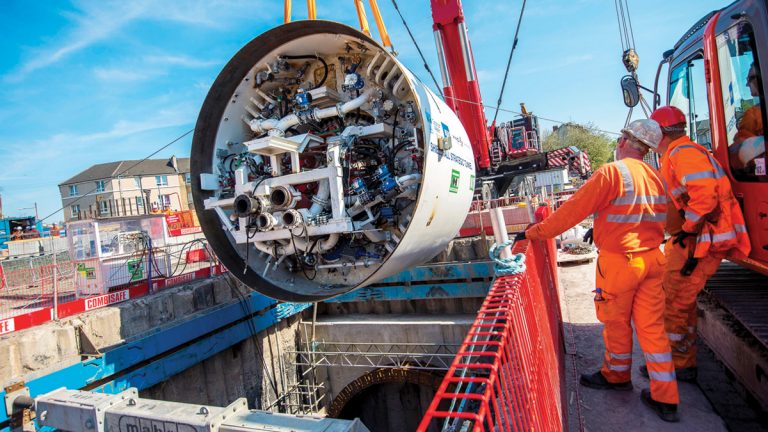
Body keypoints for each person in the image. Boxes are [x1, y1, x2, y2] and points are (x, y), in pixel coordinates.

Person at [516, 119, 680, 422]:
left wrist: (533, 233)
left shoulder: (612, 172)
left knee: (616, 322)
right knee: (653, 329)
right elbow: (650, 217)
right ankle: (666, 399)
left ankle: (617, 375)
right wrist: (603, 229)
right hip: (653, 260)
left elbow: (570, 213)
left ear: (624, 141)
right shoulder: (655, 177)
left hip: (620, 265)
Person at [644, 106, 751, 383]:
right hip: (696, 238)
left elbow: (704, 196)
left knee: (675, 301)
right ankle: (680, 360)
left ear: (660, 133)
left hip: (700, 239)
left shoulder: (683, 154)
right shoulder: (680, 152)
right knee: (679, 300)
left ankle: (677, 365)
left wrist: (688, 228)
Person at [731, 63, 765, 172]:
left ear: (762, 77)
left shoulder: (753, 115)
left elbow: (741, 156)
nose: (747, 84)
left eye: (750, 79)